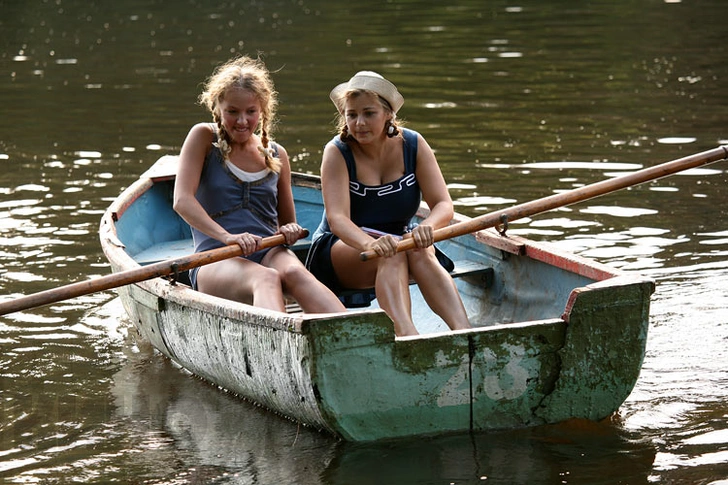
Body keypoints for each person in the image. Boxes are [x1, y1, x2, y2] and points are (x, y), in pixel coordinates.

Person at [173, 56, 346, 314]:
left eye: (250, 112)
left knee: (297, 274)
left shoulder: (276, 154)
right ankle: (277, 350)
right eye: (232, 111)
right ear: (218, 107)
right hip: (216, 256)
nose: (242, 121)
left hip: (268, 251)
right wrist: (228, 237)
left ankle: (358, 341)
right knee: (266, 278)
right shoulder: (203, 138)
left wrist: (289, 230)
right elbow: (182, 201)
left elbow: (287, 222)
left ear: (262, 110)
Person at [305, 71, 471, 336]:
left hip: (399, 242)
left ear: (388, 114)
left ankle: (465, 334)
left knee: (421, 250)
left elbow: (442, 204)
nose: (359, 123)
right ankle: (408, 338)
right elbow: (338, 220)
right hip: (344, 247)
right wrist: (370, 243)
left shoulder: (414, 144)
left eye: (368, 113)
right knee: (390, 254)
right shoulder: (336, 151)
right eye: (351, 115)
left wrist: (428, 226)